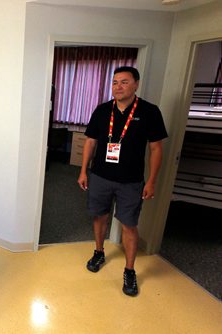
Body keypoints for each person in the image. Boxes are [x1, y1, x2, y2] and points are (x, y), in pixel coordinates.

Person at [77, 66, 168, 297]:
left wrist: (152, 181)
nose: (118, 86)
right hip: (100, 176)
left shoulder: (149, 111)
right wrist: (83, 171)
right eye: (115, 82)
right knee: (99, 215)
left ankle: (129, 270)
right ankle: (99, 252)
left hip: (131, 181)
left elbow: (156, 148)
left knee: (129, 224)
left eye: (124, 82)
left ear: (136, 84)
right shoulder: (102, 110)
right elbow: (90, 142)